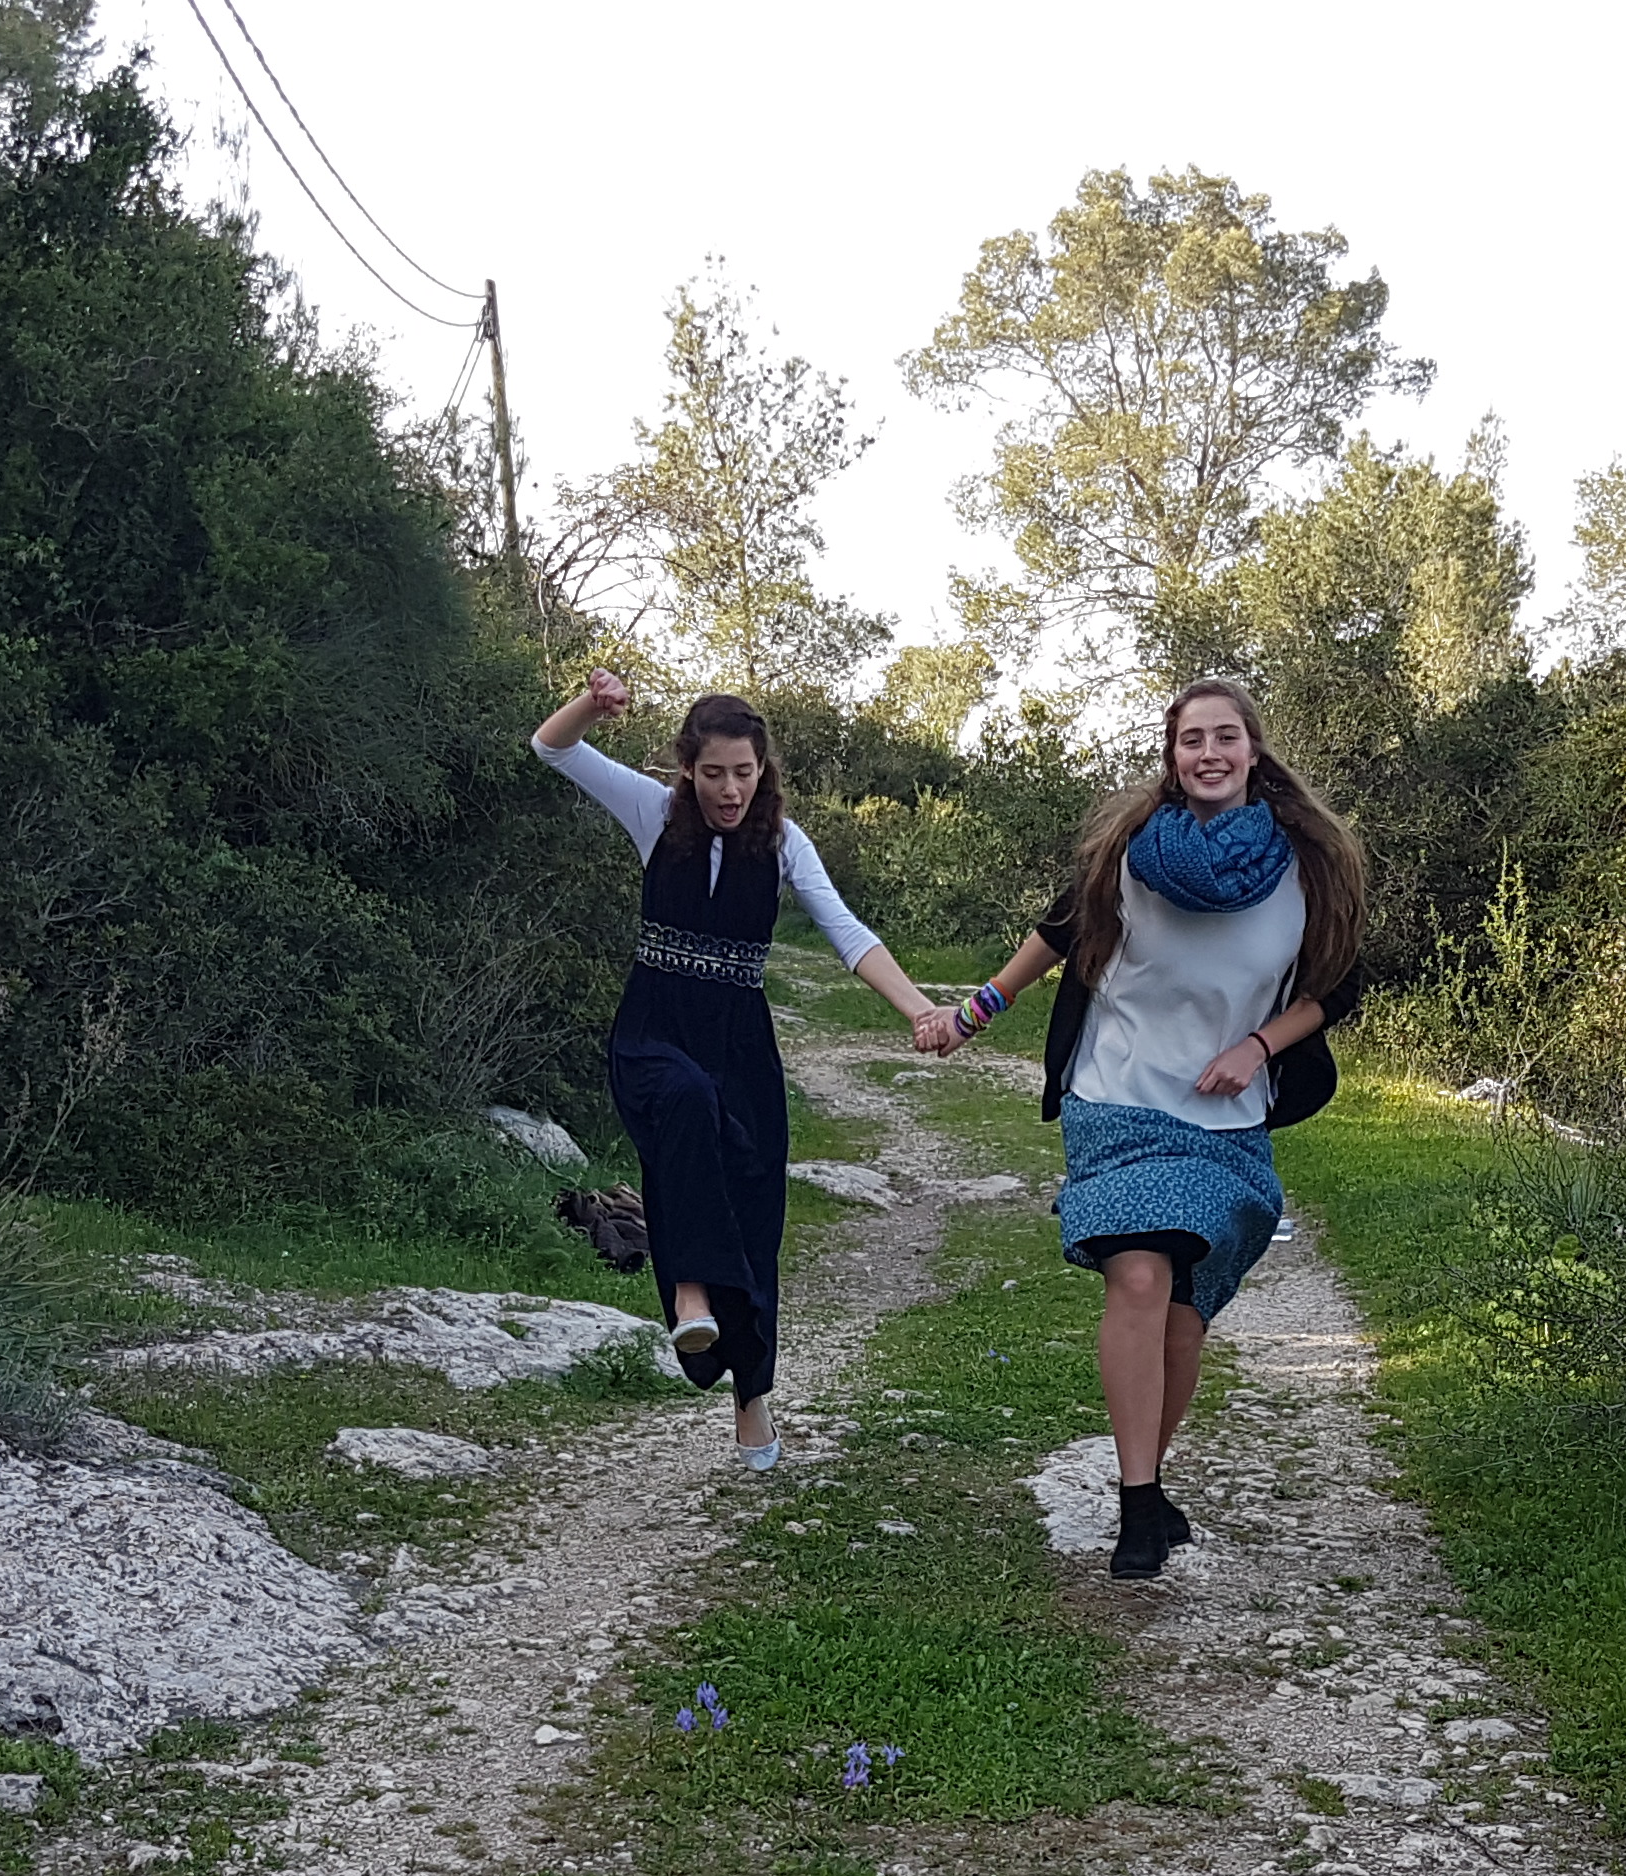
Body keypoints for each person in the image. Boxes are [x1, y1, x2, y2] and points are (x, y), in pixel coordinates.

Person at [933, 678, 1365, 1575]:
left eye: (1225, 737)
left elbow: (1340, 986)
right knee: (1137, 1272)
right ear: (1172, 758)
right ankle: (1137, 1506)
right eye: (1191, 740)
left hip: (1225, 1117)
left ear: (1253, 751)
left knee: (1181, 1314)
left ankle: (1148, 1482)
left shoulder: (1307, 866)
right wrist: (972, 1013)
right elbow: (1055, 936)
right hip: (1116, 1095)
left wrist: (1259, 1045)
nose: (1209, 754)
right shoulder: (1130, 852)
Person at [533, 669, 953, 1466]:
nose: (730, 791)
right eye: (714, 773)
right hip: (656, 1032)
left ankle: (751, 1398)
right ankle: (689, 1291)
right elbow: (552, 748)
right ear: (687, 770)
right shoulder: (654, 813)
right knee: (686, 1103)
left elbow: (846, 932)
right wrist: (593, 703)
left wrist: (919, 1009)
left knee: (754, 1213)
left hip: (742, 1048)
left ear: (765, 771)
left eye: (745, 773)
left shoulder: (785, 843)